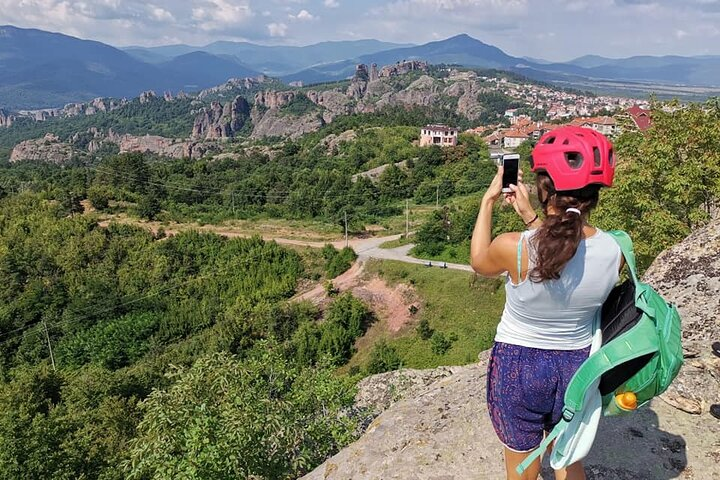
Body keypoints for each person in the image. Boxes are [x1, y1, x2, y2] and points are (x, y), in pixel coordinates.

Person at [470, 127, 622, 480]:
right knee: (568, 458)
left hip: (517, 367)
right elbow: (566, 251)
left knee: (522, 467)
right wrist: (531, 219)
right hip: (577, 367)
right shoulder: (615, 251)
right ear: (595, 193)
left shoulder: (515, 248)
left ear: (543, 189)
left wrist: (488, 201)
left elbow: (479, 261)